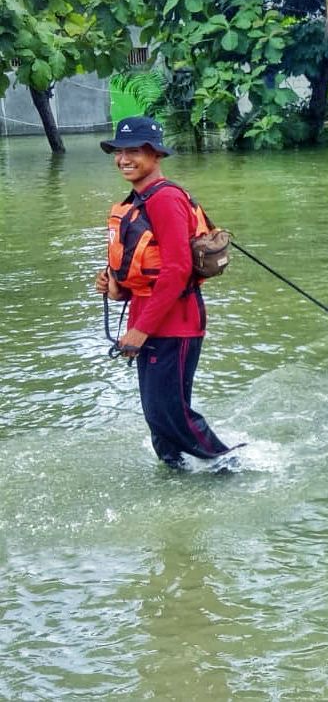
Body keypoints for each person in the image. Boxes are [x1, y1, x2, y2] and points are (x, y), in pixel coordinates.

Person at [94, 116, 237, 469]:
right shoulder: (139, 199)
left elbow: (177, 270)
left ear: (155, 155)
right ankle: (176, 474)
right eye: (119, 151)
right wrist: (116, 288)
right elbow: (149, 269)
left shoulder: (165, 199)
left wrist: (141, 331)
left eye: (134, 151)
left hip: (175, 323)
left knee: (167, 411)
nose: (124, 159)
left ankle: (231, 467)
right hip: (151, 317)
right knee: (157, 414)